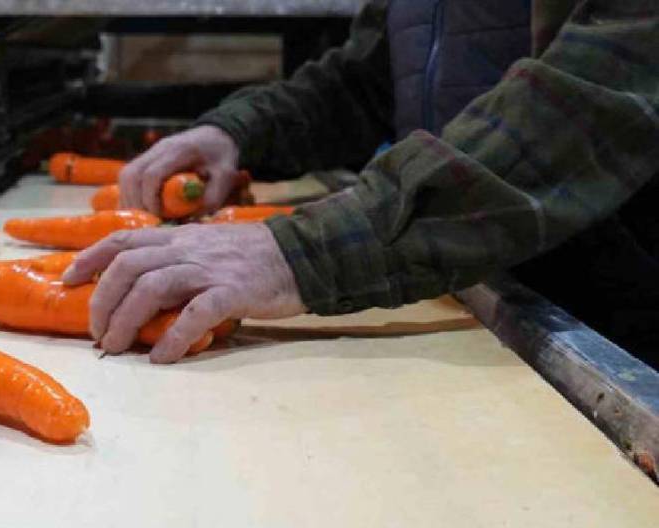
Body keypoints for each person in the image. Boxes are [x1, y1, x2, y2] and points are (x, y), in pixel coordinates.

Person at [60, 0, 659, 365]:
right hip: (466, 294)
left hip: (613, 333)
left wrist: (300, 254)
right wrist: (237, 132)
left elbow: (580, 114)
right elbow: (367, 80)